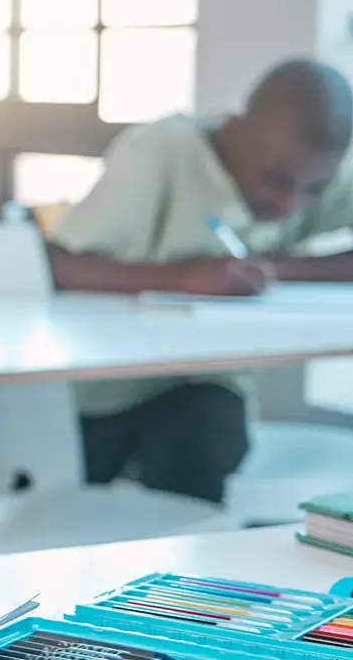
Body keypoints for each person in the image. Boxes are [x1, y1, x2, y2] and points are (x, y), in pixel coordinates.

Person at [47, 57, 353, 501]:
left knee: (202, 438)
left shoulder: (308, 164)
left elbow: (295, 206)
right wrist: (185, 278)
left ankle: (190, 566)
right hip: (99, 394)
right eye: (274, 181)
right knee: (68, 506)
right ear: (236, 129)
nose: (290, 204)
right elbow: (58, 265)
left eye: (314, 191)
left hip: (200, 389)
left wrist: (274, 266)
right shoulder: (160, 151)